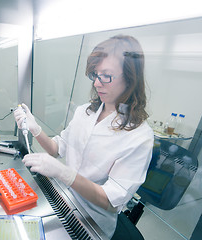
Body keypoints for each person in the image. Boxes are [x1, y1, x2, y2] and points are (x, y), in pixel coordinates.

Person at [14, 35, 154, 238]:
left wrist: (66, 174)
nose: (97, 83)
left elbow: (110, 200)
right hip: (63, 199)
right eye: (95, 75)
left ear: (130, 78)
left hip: (92, 222)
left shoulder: (140, 137)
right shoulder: (85, 111)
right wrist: (35, 128)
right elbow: (56, 148)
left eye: (106, 75)